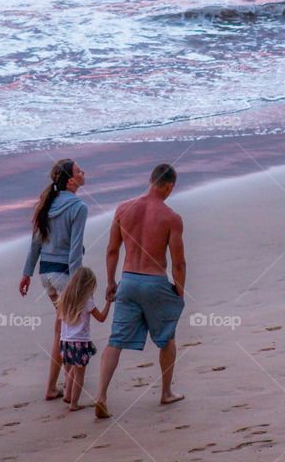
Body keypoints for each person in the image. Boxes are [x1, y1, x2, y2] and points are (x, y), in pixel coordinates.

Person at [94, 163, 186, 419]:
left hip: (129, 280)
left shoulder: (124, 209)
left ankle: (101, 395)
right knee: (167, 338)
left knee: (115, 341)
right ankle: (166, 392)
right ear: (169, 186)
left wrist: (111, 282)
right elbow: (178, 262)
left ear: (150, 180)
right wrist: (180, 291)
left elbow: (112, 250)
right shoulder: (171, 217)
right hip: (155, 282)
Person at [18, 159, 88, 401]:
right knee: (69, 330)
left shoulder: (46, 204)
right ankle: (67, 389)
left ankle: (55, 387)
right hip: (64, 275)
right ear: (70, 180)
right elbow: (75, 249)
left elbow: (36, 244)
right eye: (79, 171)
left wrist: (27, 274)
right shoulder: (78, 206)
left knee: (62, 328)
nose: (83, 173)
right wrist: (78, 282)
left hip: (46, 274)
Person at [56, 267, 111, 411]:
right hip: (80, 341)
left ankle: (68, 395)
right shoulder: (87, 301)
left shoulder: (64, 298)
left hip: (65, 341)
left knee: (73, 368)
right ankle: (74, 404)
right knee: (79, 374)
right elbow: (102, 318)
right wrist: (109, 303)